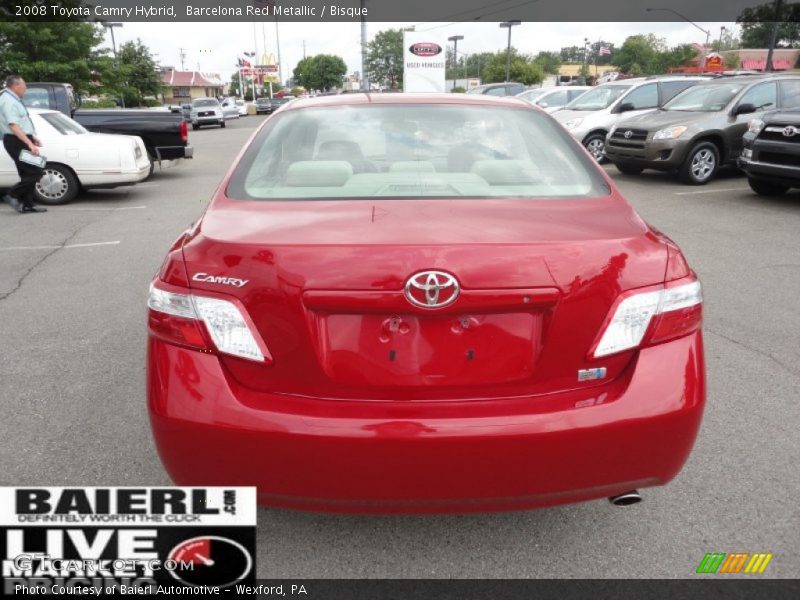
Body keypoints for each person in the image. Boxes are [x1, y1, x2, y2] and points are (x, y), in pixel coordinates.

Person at [1, 75, 47, 213]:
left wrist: (32, 137)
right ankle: (12, 195)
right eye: (24, 85)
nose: (25, 88)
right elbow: (13, 125)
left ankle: (28, 204)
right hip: (16, 140)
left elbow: (21, 123)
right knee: (36, 172)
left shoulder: (13, 99)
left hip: (21, 139)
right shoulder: (8, 101)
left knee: (27, 173)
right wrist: (29, 144)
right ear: (15, 86)